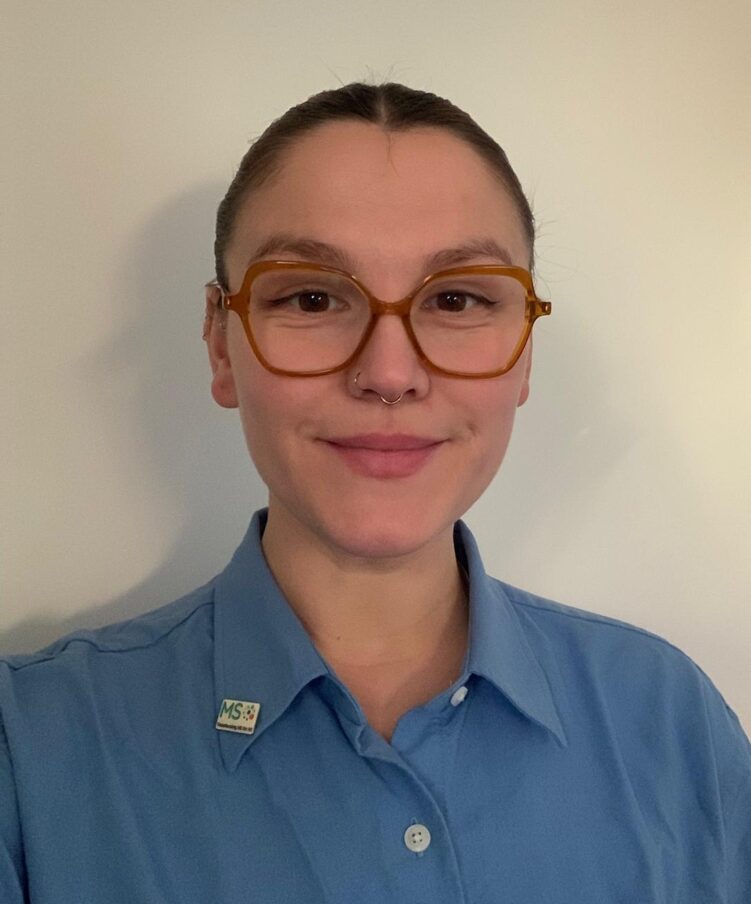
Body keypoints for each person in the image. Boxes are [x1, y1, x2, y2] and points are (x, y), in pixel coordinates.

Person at [1, 82, 748, 903]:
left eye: (456, 299)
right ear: (220, 345)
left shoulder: (668, 721)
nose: (389, 373)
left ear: (524, 354)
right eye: (312, 297)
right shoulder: (29, 750)